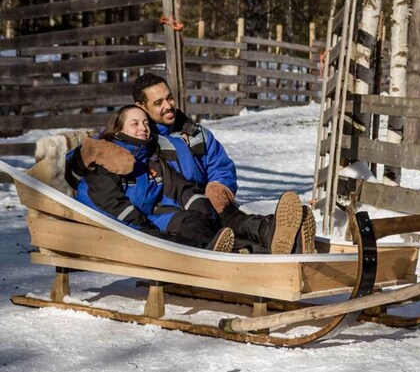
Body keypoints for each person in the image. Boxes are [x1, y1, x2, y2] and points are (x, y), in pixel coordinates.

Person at [66, 73, 314, 254]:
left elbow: (220, 164)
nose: (168, 106)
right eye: (158, 103)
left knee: (230, 216)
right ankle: (255, 251)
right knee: (205, 226)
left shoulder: (194, 133)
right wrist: (90, 152)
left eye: (169, 98)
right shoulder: (138, 137)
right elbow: (94, 152)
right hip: (167, 209)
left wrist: (219, 186)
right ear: (140, 107)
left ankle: (278, 233)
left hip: (199, 198)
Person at [75, 105, 235, 252]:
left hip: (149, 218)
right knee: (164, 241)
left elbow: (180, 188)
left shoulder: (149, 159)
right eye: (135, 124)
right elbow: (109, 204)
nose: (143, 128)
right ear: (118, 130)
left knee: (193, 219)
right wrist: (145, 228)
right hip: (117, 227)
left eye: (145, 123)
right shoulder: (107, 161)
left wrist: (204, 211)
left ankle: (221, 252)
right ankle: (210, 257)